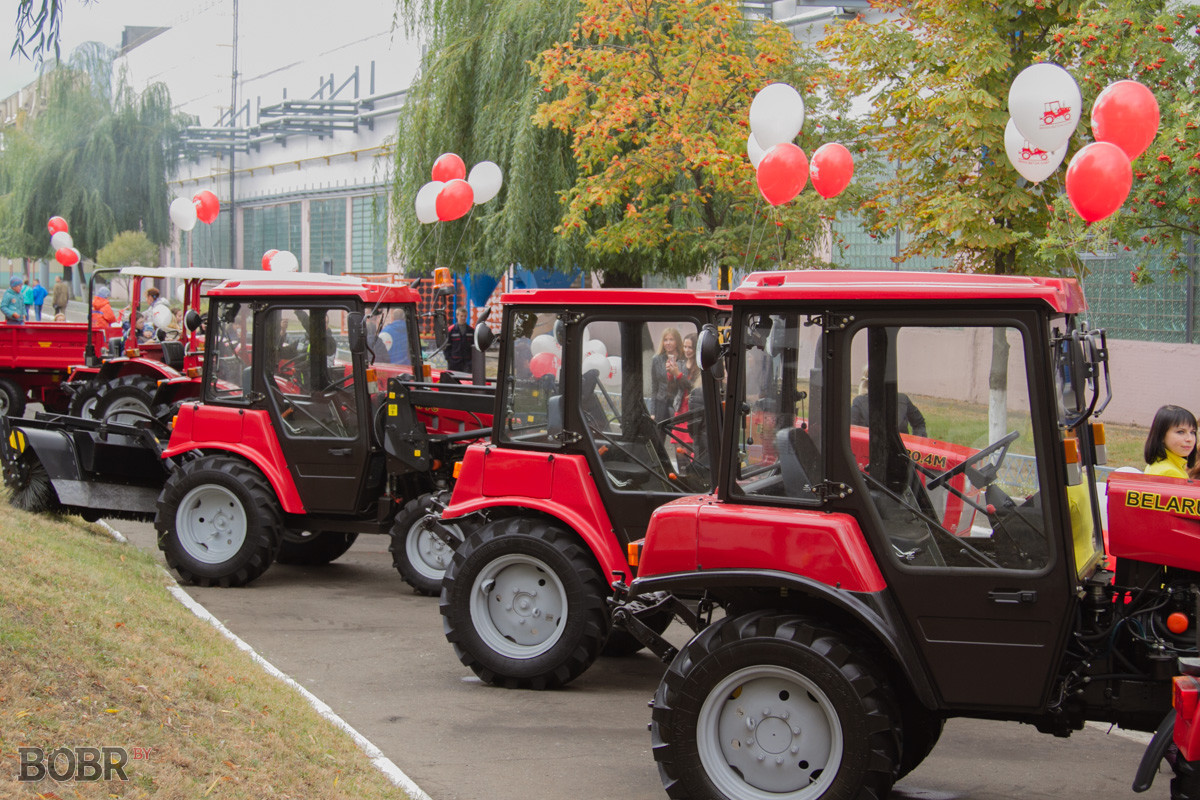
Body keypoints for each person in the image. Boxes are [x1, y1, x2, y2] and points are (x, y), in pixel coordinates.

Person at [850, 367, 927, 436]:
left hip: (900, 450)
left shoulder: (903, 400)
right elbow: (852, 432)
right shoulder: (859, 403)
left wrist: (915, 444)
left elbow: (919, 423)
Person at [1143, 404, 1197, 479]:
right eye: (1181, 432)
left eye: (1192, 432)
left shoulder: (1160, 464)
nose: (1189, 439)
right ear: (1161, 435)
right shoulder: (1169, 472)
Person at [650, 326, 687, 422]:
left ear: (677, 342)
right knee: (659, 434)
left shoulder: (684, 359)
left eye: (671, 339)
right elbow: (654, 386)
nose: (668, 343)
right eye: (665, 340)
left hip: (678, 404)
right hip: (661, 403)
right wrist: (652, 412)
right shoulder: (656, 359)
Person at [445, 306, 475, 373]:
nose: (463, 318)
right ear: (457, 316)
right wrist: (449, 360)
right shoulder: (450, 330)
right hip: (454, 363)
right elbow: (446, 347)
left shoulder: (471, 331)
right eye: (461, 316)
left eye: (465, 316)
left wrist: (471, 362)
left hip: (467, 363)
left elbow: (474, 347)